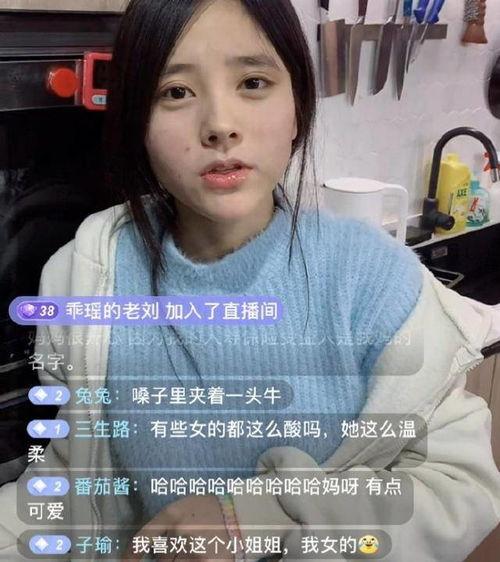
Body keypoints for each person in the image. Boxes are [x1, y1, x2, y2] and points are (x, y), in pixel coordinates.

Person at [1, 1, 500, 561]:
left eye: (253, 82)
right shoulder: (89, 273)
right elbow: (73, 477)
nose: (220, 125)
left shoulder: (371, 279)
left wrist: (263, 518)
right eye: (175, 92)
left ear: (298, 108)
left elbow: (457, 488)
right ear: (138, 123)